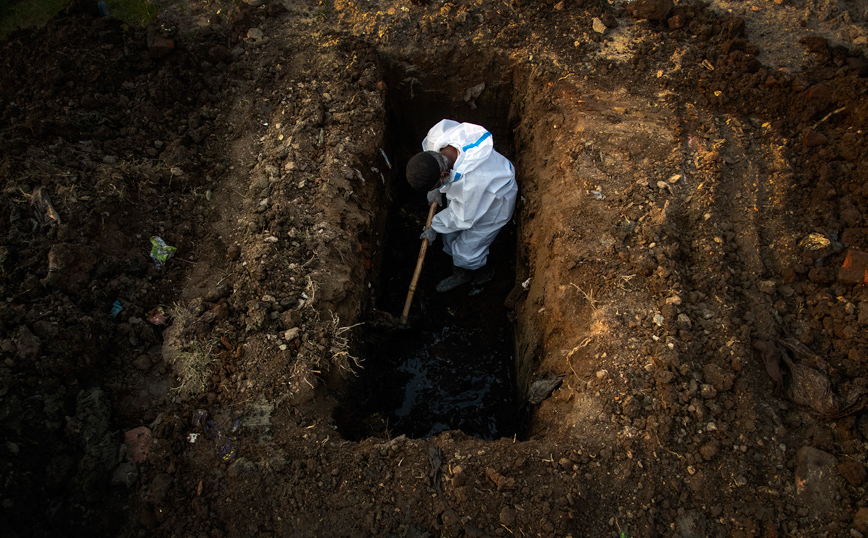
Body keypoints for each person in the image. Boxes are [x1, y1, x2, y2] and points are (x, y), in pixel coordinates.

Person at [405, 119, 518, 292]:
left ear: (443, 174)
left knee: (466, 253)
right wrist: (436, 189)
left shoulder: (472, 183)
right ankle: (460, 272)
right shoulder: (438, 138)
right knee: (449, 237)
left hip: (495, 200)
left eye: (436, 185)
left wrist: (435, 226)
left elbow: (463, 217)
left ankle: (483, 275)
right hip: (467, 192)